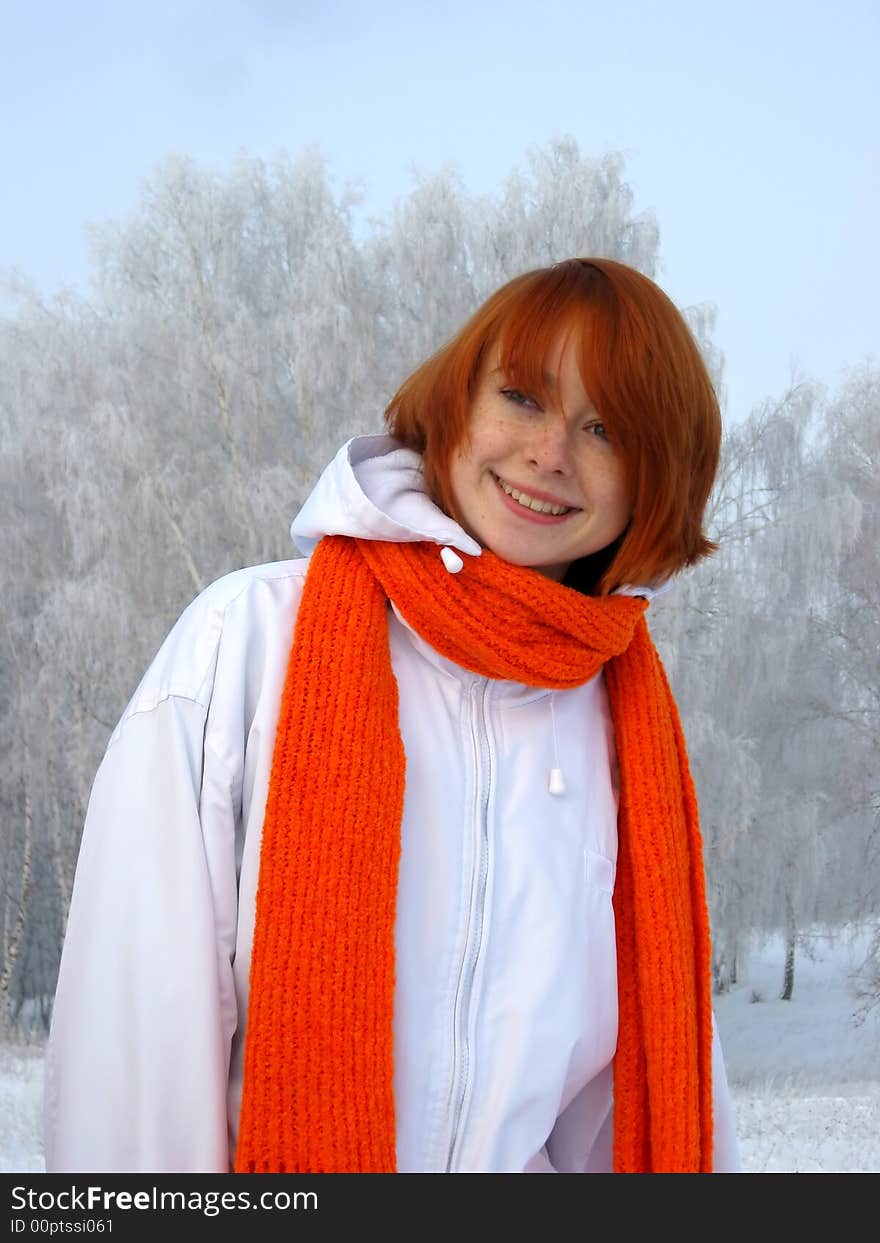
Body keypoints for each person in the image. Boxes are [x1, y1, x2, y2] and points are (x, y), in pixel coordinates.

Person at [44, 257, 741, 1174]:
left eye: (604, 427)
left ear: (653, 477)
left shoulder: (623, 731)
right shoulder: (249, 640)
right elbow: (133, 1047)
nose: (551, 454)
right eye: (523, 399)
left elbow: (625, 1105)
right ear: (456, 403)